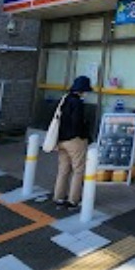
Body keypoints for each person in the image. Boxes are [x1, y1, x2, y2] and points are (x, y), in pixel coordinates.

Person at [53, 75, 93, 209]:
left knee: (63, 170)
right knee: (78, 170)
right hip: (75, 141)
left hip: (61, 140)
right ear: (83, 90)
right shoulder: (77, 103)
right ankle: (73, 200)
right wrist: (85, 136)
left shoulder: (64, 100)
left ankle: (58, 197)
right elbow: (77, 123)